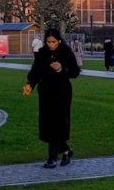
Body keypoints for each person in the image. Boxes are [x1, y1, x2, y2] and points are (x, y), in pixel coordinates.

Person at [23, 28, 81, 168]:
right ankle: (66, 150)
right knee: (48, 124)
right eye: (48, 42)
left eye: (53, 42)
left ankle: (52, 158)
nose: (51, 44)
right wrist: (30, 84)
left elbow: (75, 72)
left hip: (61, 93)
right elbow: (35, 71)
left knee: (57, 123)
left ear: (59, 41)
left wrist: (61, 69)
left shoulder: (66, 52)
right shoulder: (42, 53)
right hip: (46, 92)